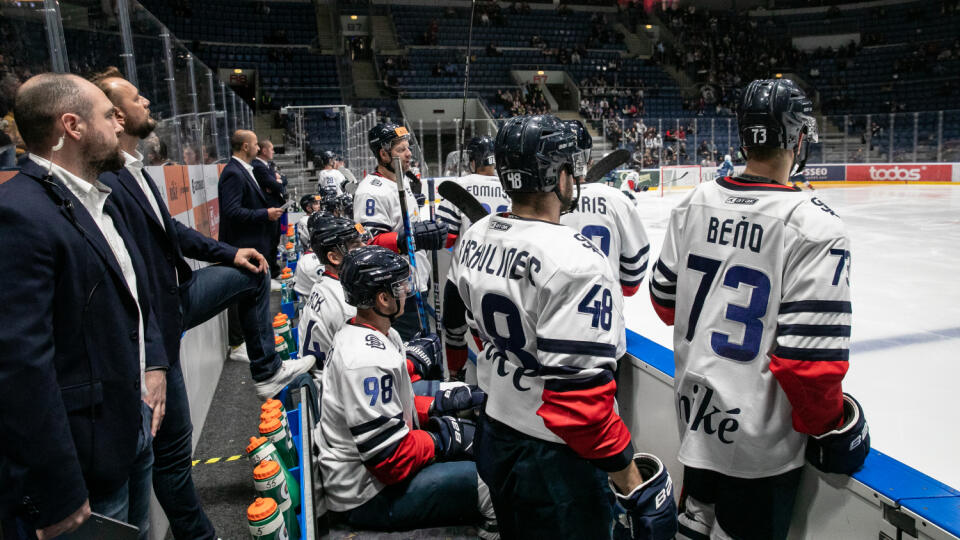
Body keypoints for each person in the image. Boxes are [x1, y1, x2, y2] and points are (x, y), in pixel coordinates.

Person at [649, 79, 868, 540]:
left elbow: (663, 303)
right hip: (760, 448)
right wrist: (831, 426)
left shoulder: (694, 202)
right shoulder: (815, 226)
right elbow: (808, 364)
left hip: (695, 417)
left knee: (693, 525)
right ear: (797, 138)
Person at [450, 115, 676, 538]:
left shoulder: (476, 236)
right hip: (552, 456)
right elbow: (579, 409)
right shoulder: (577, 262)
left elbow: (476, 331)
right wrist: (629, 478)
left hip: (496, 431)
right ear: (559, 175)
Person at [89, 67, 284, 539]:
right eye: (138, 99)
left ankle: (266, 371)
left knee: (250, 272)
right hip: (156, 329)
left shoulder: (133, 169)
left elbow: (173, 234)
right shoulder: (106, 183)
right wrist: (155, 355)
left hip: (176, 301)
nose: (148, 104)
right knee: (170, 457)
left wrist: (229, 251)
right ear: (115, 115)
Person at [0, 73, 166, 539]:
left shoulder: (99, 201)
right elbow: (21, 369)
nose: (119, 126)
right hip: (84, 464)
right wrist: (59, 491)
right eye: (107, 116)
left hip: (130, 428)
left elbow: (136, 297)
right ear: (72, 126)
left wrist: (153, 364)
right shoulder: (19, 212)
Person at [317, 246, 497, 537]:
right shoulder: (365, 361)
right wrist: (442, 439)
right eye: (399, 286)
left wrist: (441, 405)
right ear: (383, 299)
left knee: (467, 407)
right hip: (366, 495)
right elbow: (390, 461)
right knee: (491, 481)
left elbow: (396, 409)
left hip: (366, 475)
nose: (406, 291)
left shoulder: (373, 332)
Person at [219, 130, 314, 397]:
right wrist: (265, 213)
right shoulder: (233, 173)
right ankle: (238, 343)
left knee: (250, 294)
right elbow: (231, 211)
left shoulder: (244, 170)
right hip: (240, 245)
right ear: (247, 145)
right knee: (239, 295)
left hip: (251, 244)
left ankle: (249, 345)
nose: (260, 147)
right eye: (256, 143)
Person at [353, 123, 449, 340]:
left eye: (408, 148)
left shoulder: (401, 179)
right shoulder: (371, 191)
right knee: (406, 349)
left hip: (414, 284)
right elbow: (366, 242)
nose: (408, 154)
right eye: (401, 150)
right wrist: (407, 239)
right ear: (383, 154)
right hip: (395, 290)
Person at [436, 135, 508, 379]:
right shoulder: (510, 187)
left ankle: (456, 379)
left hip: (463, 276)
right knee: (493, 340)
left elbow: (446, 238)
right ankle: (494, 385)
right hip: (500, 278)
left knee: (455, 332)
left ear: (473, 161)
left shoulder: (461, 184)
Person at [560, 120, 650, 299]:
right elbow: (632, 282)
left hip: (552, 315)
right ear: (590, 161)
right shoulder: (617, 200)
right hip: (606, 315)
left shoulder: (541, 204)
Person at [296, 215, 369, 384]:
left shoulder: (324, 284)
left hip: (322, 377)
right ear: (334, 257)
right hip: (338, 388)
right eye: (355, 245)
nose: (364, 248)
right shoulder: (347, 303)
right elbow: (363, 367)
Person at [252, 139, 286, 278]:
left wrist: (279, 180)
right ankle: (271, 272)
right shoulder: (258, 166)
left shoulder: (267, 166)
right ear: (264, 150)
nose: (273, 151)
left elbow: (282, 181)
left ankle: (273, 270)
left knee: (274, 241)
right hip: (268, 210)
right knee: (270, 241)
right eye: (271, 149)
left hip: (274, 208)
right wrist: (277, 181)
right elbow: (276, 186)